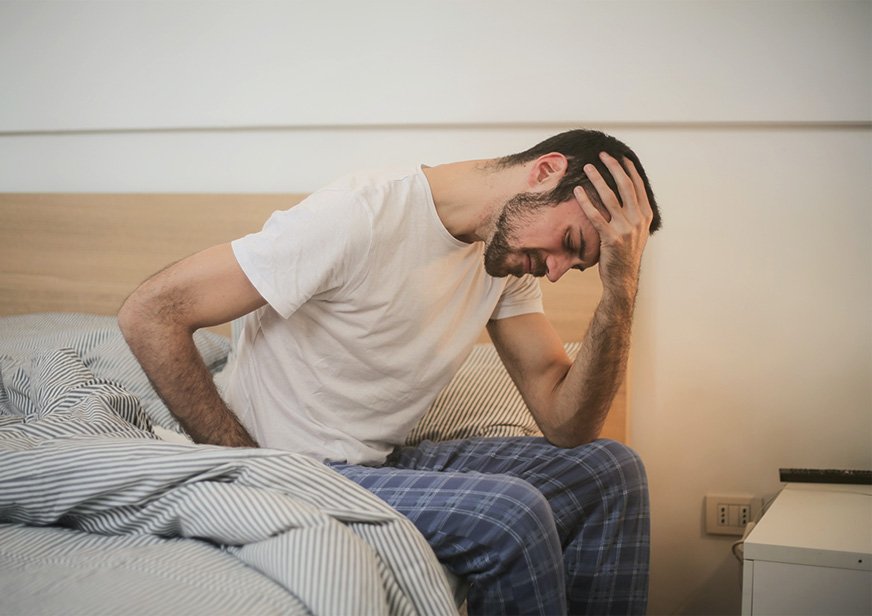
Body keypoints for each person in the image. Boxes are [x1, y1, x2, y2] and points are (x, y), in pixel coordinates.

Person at [119, 128, 661, 615]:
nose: (560, 270)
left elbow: (567, 425)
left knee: (609, 471)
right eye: (569, 244)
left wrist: (621, 287)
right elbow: (151, 313)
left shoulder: (506, 259)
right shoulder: (358, 215)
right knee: (509, 516)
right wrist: (250, 467)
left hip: (375, 462)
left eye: (580, 264)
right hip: (293, 467)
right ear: (545, 171)